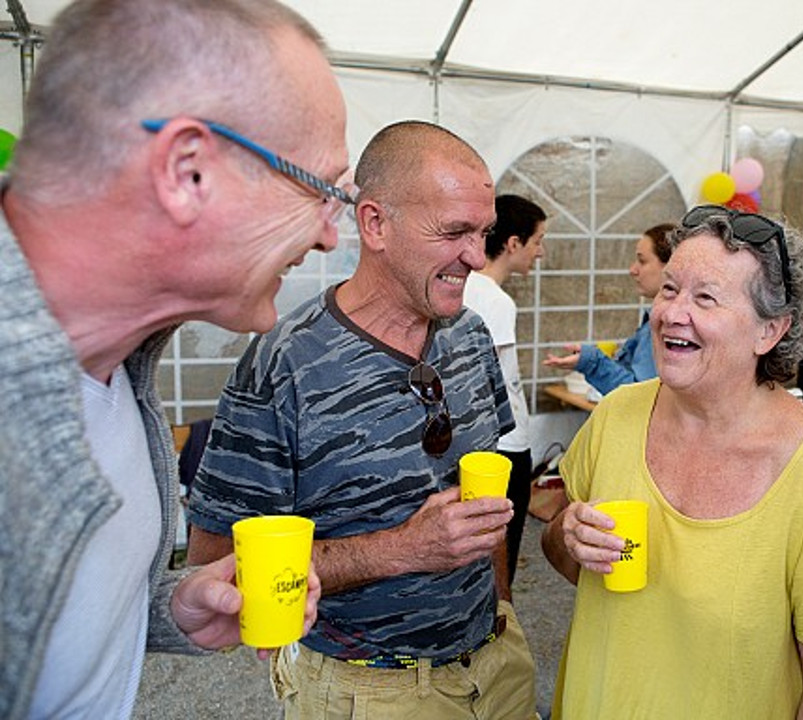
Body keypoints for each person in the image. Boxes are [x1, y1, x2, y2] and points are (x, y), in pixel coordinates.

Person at [0, 0, 349, 716]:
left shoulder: (116, 367)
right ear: (188, 170)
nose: (330, 237)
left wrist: (165, 609)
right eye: (322, 191)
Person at [187, 120, 538, 719]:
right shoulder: (285, 364)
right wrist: (402, 549)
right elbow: (213, 570)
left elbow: (484, 506)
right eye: (454, 231)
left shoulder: (472, 337)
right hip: (369, 690)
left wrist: (501, 610)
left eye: (483, 233)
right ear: (375, 223)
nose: (476, 258)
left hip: (496, 663)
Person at [542, 205, 803, 718]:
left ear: (769, 331)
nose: (671, 313)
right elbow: (566, 555)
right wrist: (567, 533)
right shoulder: (618, 415)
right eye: (669, 289)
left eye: (704, 298)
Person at [463, 193, 546, 586]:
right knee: (502, 550)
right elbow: (487, 380)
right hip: (506, 444)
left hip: (479, 446)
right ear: (513, 243)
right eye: (537, 241)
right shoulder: (495, 301)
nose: (540, 252)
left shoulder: (463, 289)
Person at [543, 223, 674, 394]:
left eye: (642, 261)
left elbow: (640, 396)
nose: (633, 270)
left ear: (671, 266)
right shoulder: (654, 321)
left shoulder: (664, 326)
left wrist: (592, 362)